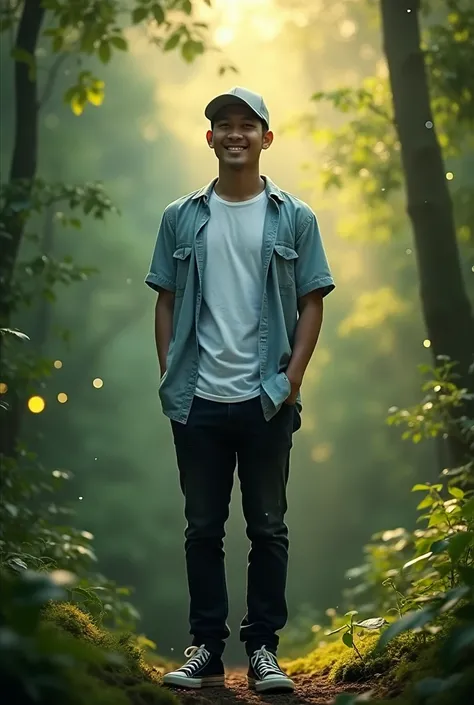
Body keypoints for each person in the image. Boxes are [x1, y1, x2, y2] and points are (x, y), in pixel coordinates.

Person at [145, 87, 335, 694]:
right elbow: (167, 300)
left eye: (246, 126)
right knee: (202, 528)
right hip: (197, 399)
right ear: (210, 139)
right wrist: (171, 375)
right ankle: (204, 647)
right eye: (223, 125)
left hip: (266, 399)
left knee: (267, 528)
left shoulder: (294, 217)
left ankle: (263, 652)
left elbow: (312, 303)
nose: (235, 134)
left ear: (265, 138)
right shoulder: (181, 217)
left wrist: (291, 380)